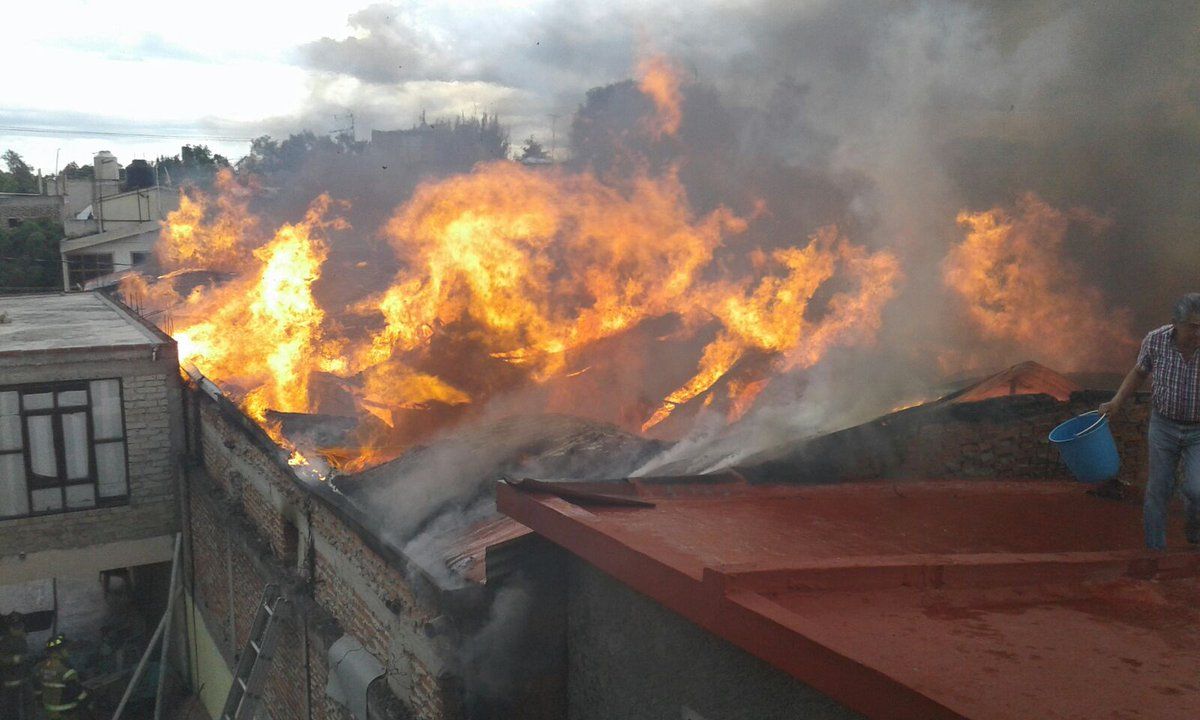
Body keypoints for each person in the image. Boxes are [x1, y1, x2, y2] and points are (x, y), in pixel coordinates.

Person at [1100, 292, 1200, 549]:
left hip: (1198, 431)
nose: (1197, 333)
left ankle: (1194, 526)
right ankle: (1154, 551)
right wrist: (1116, 402)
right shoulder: (1155, 340)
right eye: (1193, 327)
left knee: (1196, 490)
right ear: (1175, 323)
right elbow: (1138, 373)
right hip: (1163, 427)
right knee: (1158, 490)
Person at [34, 634, 89, 720]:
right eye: (65, 648)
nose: (68, 651)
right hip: (66, 712)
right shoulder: (65, 668)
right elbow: (75, 691)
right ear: (57, 651)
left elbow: (37, 688)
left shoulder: (41, 666)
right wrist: (87, 701)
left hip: (48, 710)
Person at [0, 612, 32, 719]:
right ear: (10, 628)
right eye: (16, 627)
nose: (19, 629)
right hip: (10, 681)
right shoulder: (5, 642)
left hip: (23, 678)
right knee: (12, 707)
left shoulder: (21, 639)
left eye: (20, 626)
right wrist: (19, 658)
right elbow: (2, 659)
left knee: (26, 704)